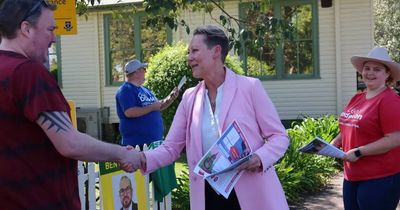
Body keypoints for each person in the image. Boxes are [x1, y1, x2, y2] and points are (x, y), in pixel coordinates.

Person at [0, 1, 141, 209]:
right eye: (50, 29)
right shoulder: (28, 73)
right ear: (26, 29)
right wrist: (123, 154)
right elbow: (70, 143)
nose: (53, 38)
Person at [137, 25, 290, 210]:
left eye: (194, 51)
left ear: (216, 51)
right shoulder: (189, 98)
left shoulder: (250, 87)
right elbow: (171, 148)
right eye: (188, 52)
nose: (189, 57)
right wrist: (141, 158)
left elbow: (279, 137)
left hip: (253, 196)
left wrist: (259, 158)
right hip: (208, 197)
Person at [331, 47, 400, 210]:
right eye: (367, 68)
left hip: (380, 177)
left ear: (387, 74)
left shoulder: (389, 100)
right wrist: (335, 143)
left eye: (377, 69)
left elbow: (395, 138)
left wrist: (358, 152)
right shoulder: (357, 97)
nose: (370, 73)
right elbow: (349, 126)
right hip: (352, 175)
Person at [115, 59, 179, 148]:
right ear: (137, 72)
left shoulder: (145, 90)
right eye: (144, 69)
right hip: (137, 144)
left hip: (154, 142)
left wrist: (170, 98)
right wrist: (152, 107)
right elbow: (129, 112)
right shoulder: (126, 89)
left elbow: (158, 106)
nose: (145, 72)